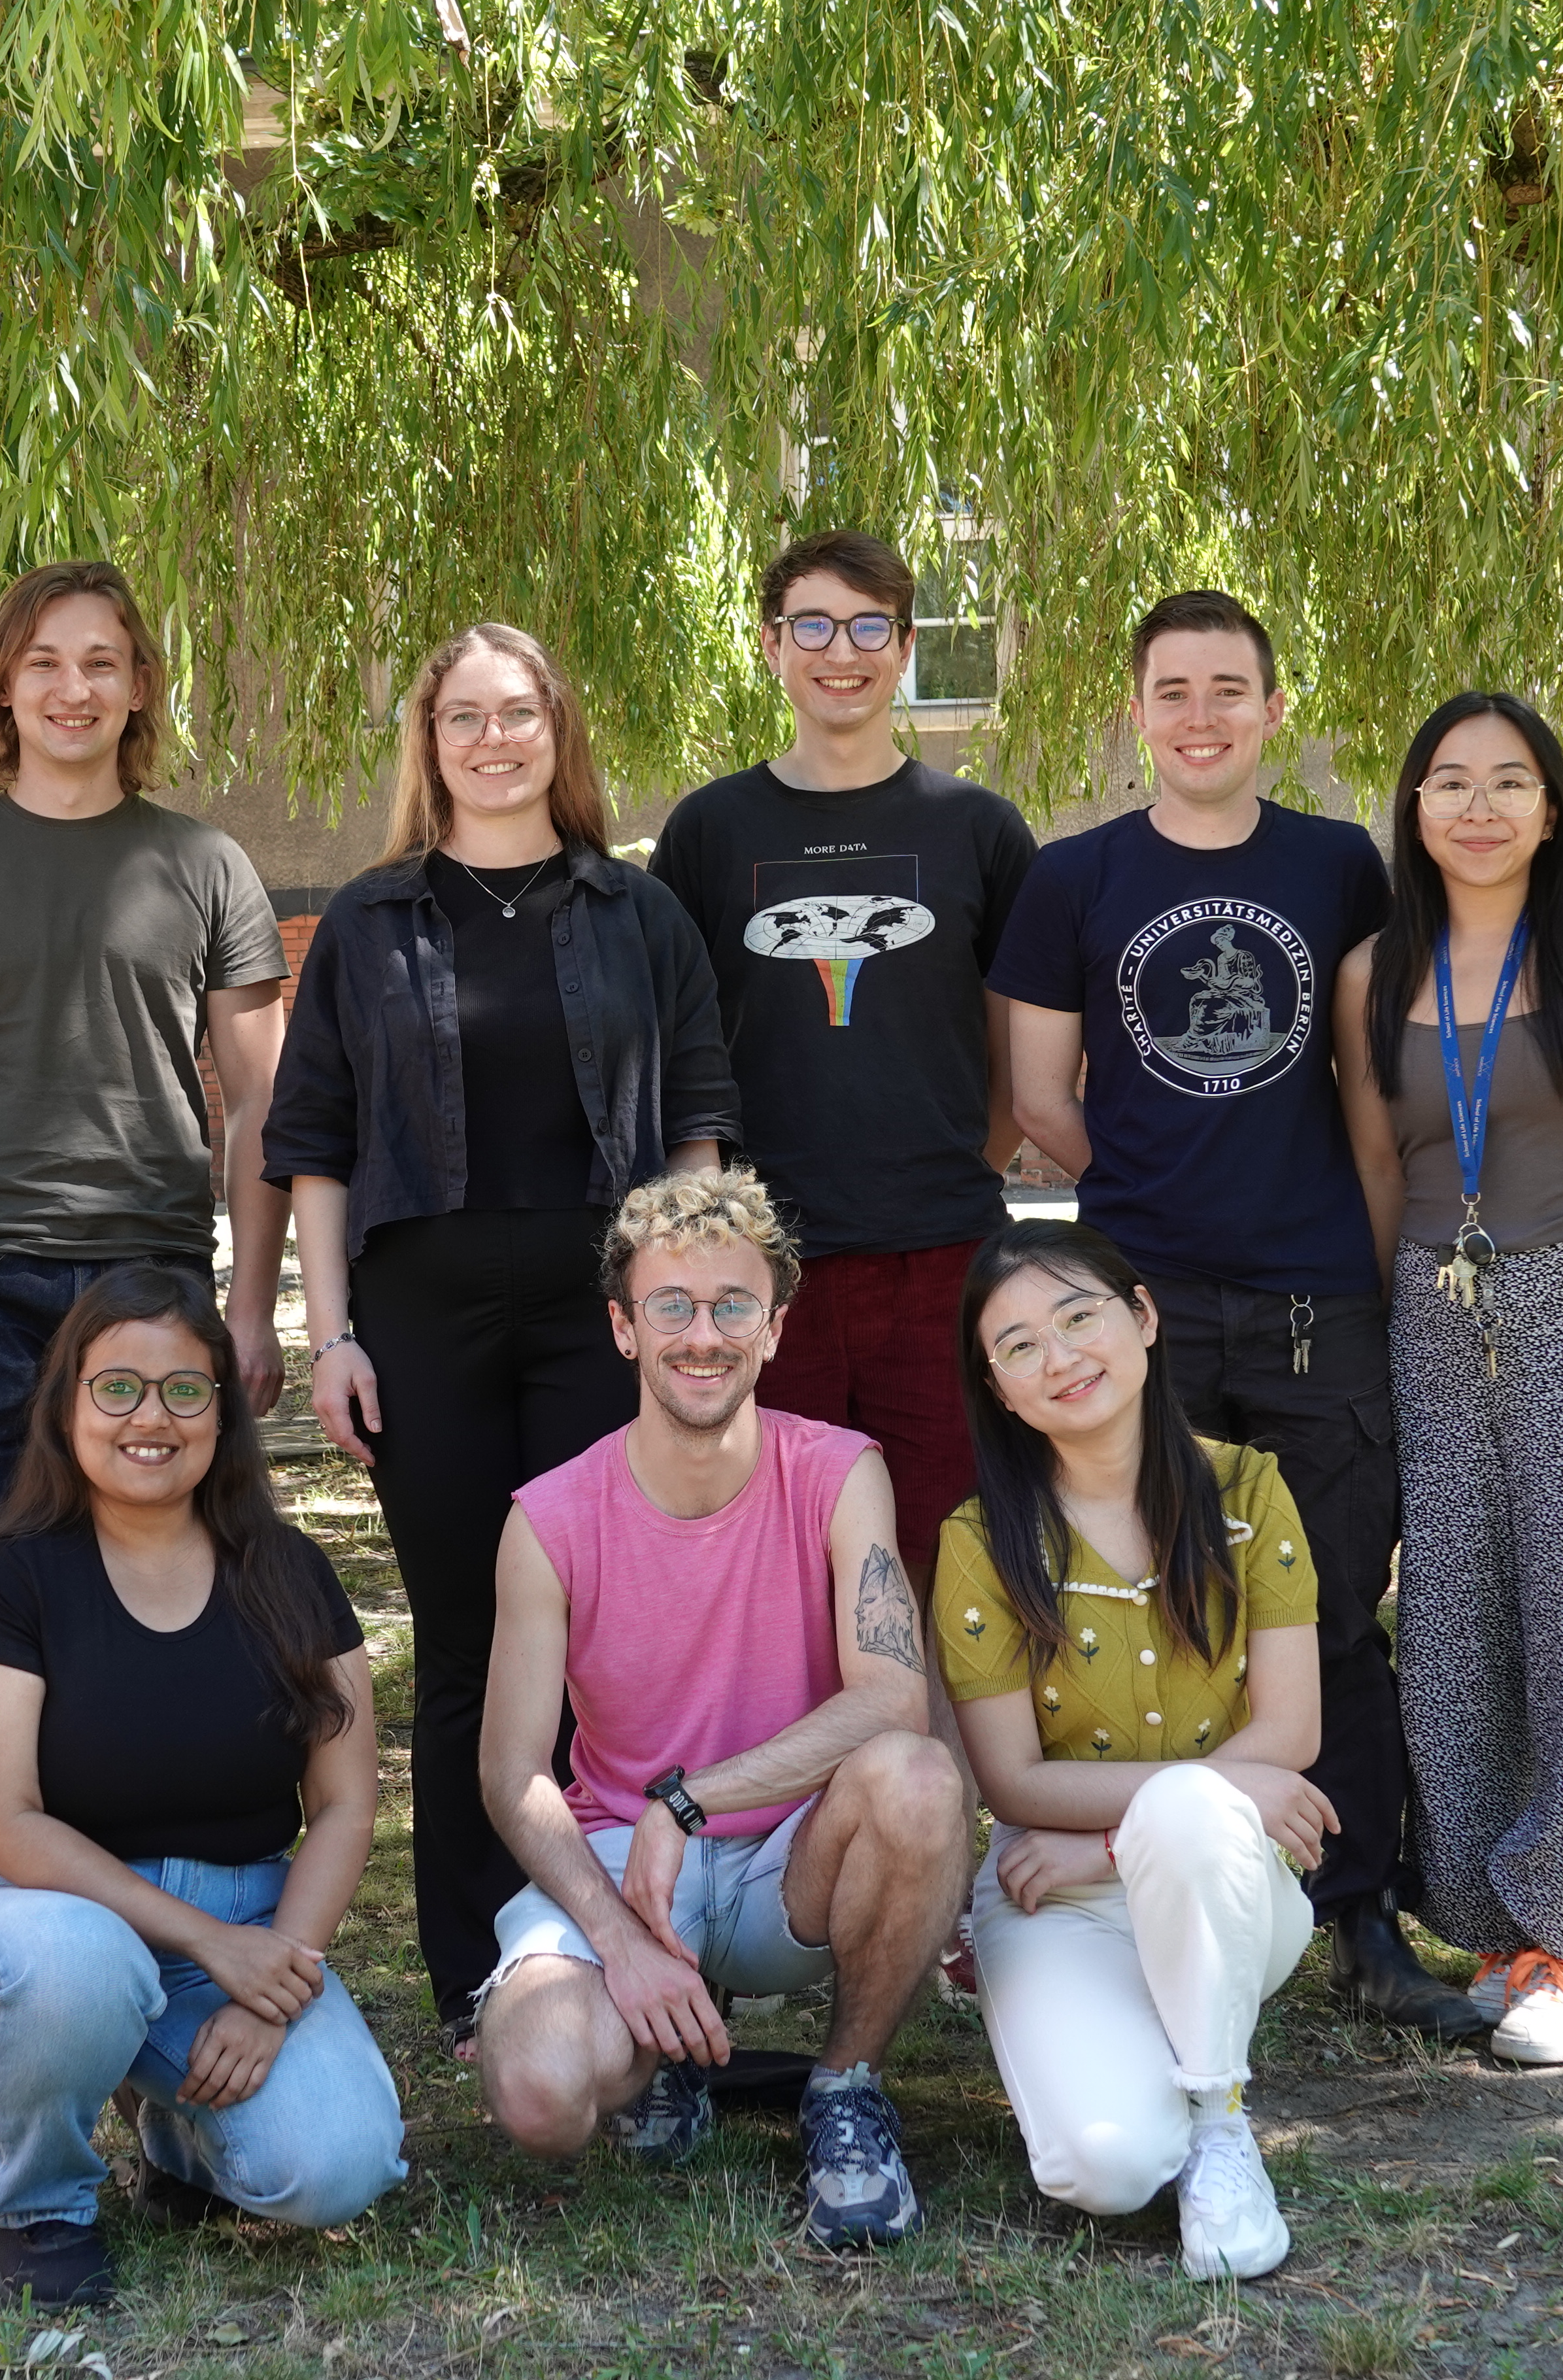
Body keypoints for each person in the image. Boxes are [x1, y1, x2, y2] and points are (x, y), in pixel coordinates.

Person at [989, 590, 1487, 2040]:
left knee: (1329, 1608)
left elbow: (1377, 1077)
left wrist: (1354, 1249)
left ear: (1276, 711)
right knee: (1159, 1607)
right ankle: (1177, 1900)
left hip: (1318, 1295)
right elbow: (1034, 1097)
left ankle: (1364, 1918)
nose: (1201, 716)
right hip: (1142, 1306)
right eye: (1173, 690)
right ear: (1134, 712)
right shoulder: (1074, 880)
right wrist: (1150, 1193)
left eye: (1229, 689)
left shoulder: (1339, 868)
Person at [0, 559, 293, 2067]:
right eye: (46, 662)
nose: (75, 688)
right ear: (5, 687)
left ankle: (188, 1928)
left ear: (139, 687)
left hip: (152, 1291)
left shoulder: (208, 867)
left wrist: (251, 1296)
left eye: (105, 661)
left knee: (184, 1609)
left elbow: (255, 1112)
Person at [267, 621, 739, 2035]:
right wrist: (331, 1335)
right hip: (426, 1320)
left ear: (558, 730)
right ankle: (479, 1963)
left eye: (518, 712)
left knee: (610, 1632)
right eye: (463, 716)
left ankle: (624, 1932)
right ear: (431, 741)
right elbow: (315, 1146)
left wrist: (687, 1311)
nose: (493, 739)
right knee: (469, 1635)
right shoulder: (367, 920)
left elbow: (701, 1122)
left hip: (603, 1324)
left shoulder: (639, 915)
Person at [470, 1169, 971, 2251]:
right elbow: (511, 1772)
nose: (704, 1335)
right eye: (673, 1307)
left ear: (776, 1328)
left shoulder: (840, 1473)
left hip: (794, 1855)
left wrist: (689, 1801)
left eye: (733, 1306)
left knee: (921, 1779)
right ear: (623, 1327)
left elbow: (893, 1696)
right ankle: (669, 2054)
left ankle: (844, 2087)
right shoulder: (548, 1519)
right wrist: (619, 1939)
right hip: (627, 1872)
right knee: (544, 2096)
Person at [0, 1266, 406, 2306]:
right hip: (38, 1920)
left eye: (186, 1390)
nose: (153, 1417)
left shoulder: (289, 1570)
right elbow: (0, 1822)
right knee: (81, 1968)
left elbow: (348, 1804)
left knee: (336, 2168)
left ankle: (180, 2140)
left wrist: (282, 1978)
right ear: (66, 1404)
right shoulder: (11, 1575)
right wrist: (203, 1939)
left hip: (244, 1929)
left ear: (222, 1414)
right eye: (118, 1388)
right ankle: (40, 2203)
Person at [1332, 691, 1563, 2067]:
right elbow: (1378, 1168)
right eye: (1448, 783)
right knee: (1453, 1643)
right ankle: (1497, 1930)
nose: (1477, 808)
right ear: (1414, 810)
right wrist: (1380, 1341)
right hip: (1430, 1314)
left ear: (1552, 808)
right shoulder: (1377, 970)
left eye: (1509, 782)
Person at [940, 1221, 1334, 2279]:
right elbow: (1012, 1779)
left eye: (1080, 1318)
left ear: (1144, 1318)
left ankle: (1220, 2122)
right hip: (1053, 1899)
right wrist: (1139, 1836)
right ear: (1000, 1390)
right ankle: (1143, 2071)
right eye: (1018, 1346)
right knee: (1104, 2173)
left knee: (1191, 1816)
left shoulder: (1248, 1492)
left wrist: (1118, 1836)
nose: (1061, 1358)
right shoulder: (981, 1541)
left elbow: (1290, 1733)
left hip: (1223, 1880)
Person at [649, 529, 1037, 1591]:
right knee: (778, 1553)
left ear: (905, 646)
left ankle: (933, 1763)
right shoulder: (711, 831)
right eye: (812, 625)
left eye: (871, 626)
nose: (842, 651)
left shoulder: (979, 829)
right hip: (768, 1264)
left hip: (943, 1250)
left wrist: (960, 1163)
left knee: (950, 1555)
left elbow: (1017, 1049)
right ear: (773, 645)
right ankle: (800, 1760)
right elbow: (679, 1045)